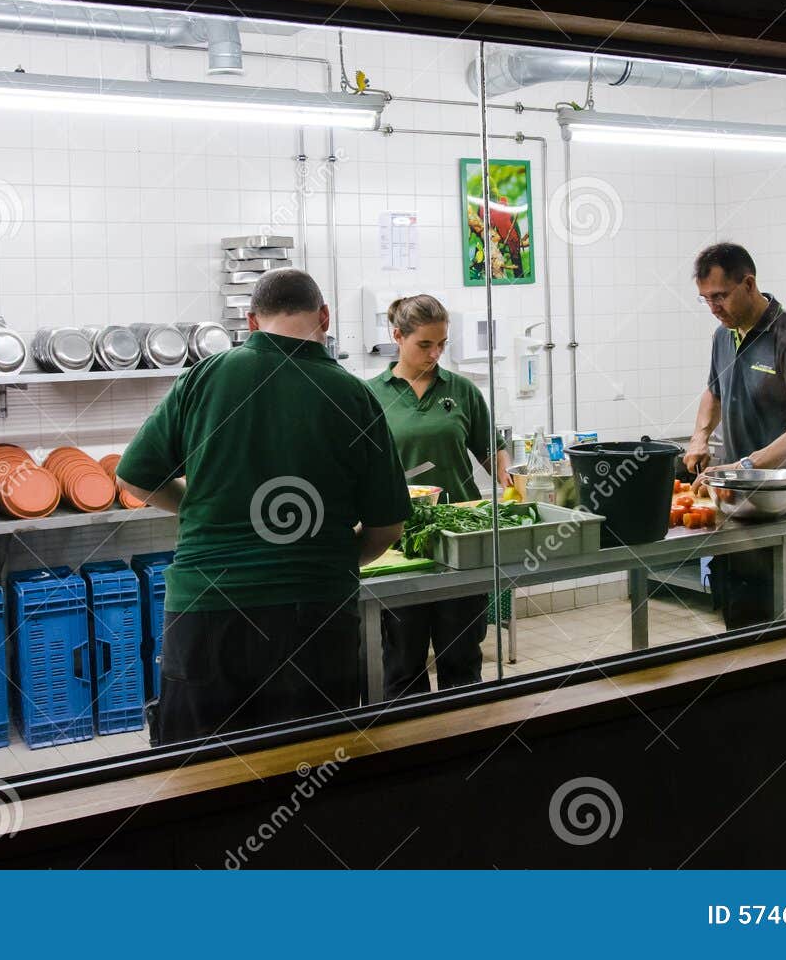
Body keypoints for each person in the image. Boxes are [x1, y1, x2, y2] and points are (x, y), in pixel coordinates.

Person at [116, 268, 410, 744]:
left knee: (199, 773)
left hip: (208, 606)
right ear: (326, 317)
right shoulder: (353, 395)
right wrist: (328, 558)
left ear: (251, 322)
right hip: (315, 612)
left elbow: (134, 477)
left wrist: (200, 508)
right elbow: (387, 527)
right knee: (310, 761)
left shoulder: (204, 377)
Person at [684, 242, 786, 629]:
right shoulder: (724, 335)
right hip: (738, 501)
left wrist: (746, 466)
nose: (713, 308)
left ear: (748, 284)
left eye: (720, 296)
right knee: (744, 611)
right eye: (705, 300)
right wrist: (700, 437)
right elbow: (713, 392)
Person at [366, 294, 511, 696]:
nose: (435, 353)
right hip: (399, 540)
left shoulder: (462, 391)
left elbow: (491, 451)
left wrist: (512, 488)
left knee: (461, 659)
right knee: (402, 660)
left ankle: (465, 740)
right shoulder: (371, 395)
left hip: (459, 538)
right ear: (397, 336)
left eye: (442, 343)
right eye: (425, 344)